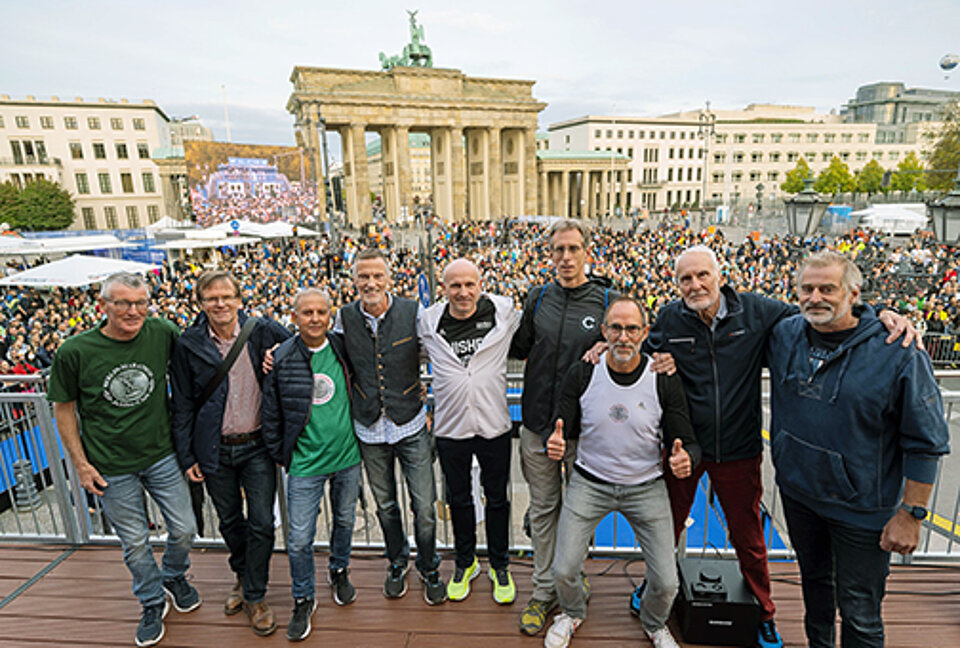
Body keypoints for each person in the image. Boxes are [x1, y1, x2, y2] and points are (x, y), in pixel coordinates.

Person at [641, 245, 918, 648]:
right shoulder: (669, 317)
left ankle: (763, 612)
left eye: (702, 275)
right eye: (686, 278)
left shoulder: (757, 311)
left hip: (738, 447)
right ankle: (654, 594)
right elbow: (639, 354)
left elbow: (822, 309)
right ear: (676, 283)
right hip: (685, 446)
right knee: (663, 529)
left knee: (748, 538)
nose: (695, 284)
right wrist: (612, 350)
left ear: (721, 276)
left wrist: (878, 314)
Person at [767, 252, 949, 647]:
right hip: (799, 495)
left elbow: (926, 440)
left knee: (860, 613)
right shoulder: (785, 332)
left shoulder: (898, 348)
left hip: (863, 510)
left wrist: (912, 515)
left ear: (853, 293)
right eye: (807, 289)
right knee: (815, 593)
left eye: (827, 288)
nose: (816, 297)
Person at [48, 272, 201, 648]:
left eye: (140, 303)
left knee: (184, 529)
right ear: (104, 306)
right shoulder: (75, 351)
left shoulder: (162, 331)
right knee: (134, 542)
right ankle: (151, 601)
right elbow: (63, 409)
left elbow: (196, 360)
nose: (133, 311)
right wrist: (80, 465)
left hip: (161, 453)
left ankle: (173, 575)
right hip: (109, 464)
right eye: (123, 303)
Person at [543, 297, 699, 648]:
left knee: (667, 582)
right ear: (603, 332)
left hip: (645, 486)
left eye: (631, 328)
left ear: (645, 333)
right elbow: (560, 423)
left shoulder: (661, 377)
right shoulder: (584, 371)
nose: (623, 336)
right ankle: (571, 612)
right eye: (616, 328)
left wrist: (686, 456)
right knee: (564, 568)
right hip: (590, 482)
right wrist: (553, 441)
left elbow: (685, 438)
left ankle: (655, 622)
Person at [509, 219, 618, 635]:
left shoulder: (608, 298)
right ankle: (542, 591)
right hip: (537, 425)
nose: (566, 257)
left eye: (573, 249)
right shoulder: (537, 298)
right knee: (542, 510)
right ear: (550, 253)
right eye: (559, 250)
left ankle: (570, 578)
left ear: (587, 252)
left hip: (585, 430)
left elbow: (637, 341)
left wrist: (612, 344)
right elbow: (517, 347)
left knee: (578, 514)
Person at [170, 270, 291, 637]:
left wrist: (278, 354)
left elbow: (302, 348)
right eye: (211, 298)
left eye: (226, 296)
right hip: (214, 448)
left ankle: (255, 594)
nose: (220, 304)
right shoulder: (188, 343)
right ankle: (244, 575)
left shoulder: (264, 331)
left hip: (257, 446)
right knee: (229, 521)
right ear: (201, 303)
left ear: (240, 299)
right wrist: (186, 456)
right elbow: (183, 404)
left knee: (261, 521)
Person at [333, 247, 445, 605]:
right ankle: (397, 561)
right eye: (363, 276)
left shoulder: (414, 312)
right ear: (353, 280)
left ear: (389, 278)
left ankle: (428, 566)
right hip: (368, 426)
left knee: (424, 506)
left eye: (376, 276)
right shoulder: (343, 317)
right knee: (385, 505)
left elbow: (438, 357)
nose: (370, 283)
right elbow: (322, 353)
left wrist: (434, 404)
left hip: (410, 421)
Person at [262, 288, 362, 642]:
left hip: (347, 457)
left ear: (330, 314)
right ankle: (303, 596)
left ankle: (339, 569)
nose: (315, 318)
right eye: (308, 313)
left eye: (321, 312)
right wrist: (282, 454)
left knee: (345, 521)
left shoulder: (342, 346)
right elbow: (271, 411)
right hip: (304, 463)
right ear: (295, 316)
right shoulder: (283, 356)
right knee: (300, 538)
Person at [418, 258, 520, 604]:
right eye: (455, 286)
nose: (463, 292)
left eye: (469, 284)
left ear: (481, 284)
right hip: (451, 428)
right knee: (458, 499)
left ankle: (500, 564)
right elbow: (405, 357)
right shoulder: (428, 322)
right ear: (443, 287)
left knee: (497, 499)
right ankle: (465, 562)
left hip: (494, 426)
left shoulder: (504, 313)